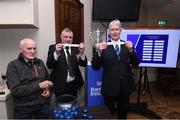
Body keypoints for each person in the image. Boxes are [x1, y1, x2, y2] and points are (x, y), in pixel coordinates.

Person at [91, 19, 139, 119]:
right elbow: (95, 66)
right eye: (112, 30)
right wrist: (99, 52)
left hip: (125, 87)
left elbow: (136, 63)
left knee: (123, 113)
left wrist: (131, 50)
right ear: (109, 31)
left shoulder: (127, 45)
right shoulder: (103, 47)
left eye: (117, 29)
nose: (114, 32)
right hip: (109, 87)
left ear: (121, 30)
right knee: (108, 113)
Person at [6, 38, 53, 119]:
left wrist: (48, 89)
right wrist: (39, 86)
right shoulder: (13, 66)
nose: (33, 51)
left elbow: (47, 80)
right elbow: (15, 91)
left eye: (34, 48)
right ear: (21, 50)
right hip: (23, 108)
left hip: (43, 105)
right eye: (29, 48)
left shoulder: (40, 62)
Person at [46, 28, 87, 98]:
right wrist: (56, 53)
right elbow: (49, 65)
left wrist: (82, 53)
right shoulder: (53, 47)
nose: (68, 39)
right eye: (65, 37)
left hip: (74, 84)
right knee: (60, 106)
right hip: (59, 85)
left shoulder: (76, 48)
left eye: (70, 37)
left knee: (73, 105)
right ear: (61, 37)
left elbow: (83, 64)